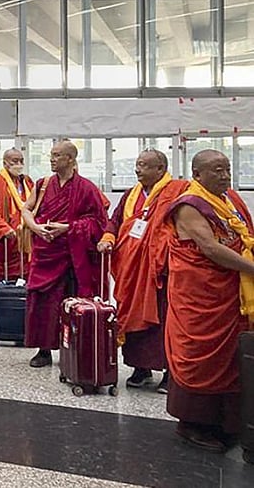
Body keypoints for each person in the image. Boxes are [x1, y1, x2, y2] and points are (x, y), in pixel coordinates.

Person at [162, 149, 254, 453]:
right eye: (217, 170)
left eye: (227, 169)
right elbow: (210, 249)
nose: (225, 175)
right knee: (201, 354)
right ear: (197, 175)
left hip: (228, 295)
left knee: (229, 355)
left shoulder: (230, 200)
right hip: (200, 297)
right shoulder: (189, 205)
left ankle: (224, 423)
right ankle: (192, 425)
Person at [97, 150, 187, 393]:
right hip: (132, 269)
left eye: (144, 166)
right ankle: (140, 367)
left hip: (162, 270)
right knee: (131, 314)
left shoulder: (178, 191)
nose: (138, 170)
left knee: (165, 320)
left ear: (161, 169)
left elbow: (185, 224)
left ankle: (170, 372)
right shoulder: (130, 194)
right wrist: (107, 238)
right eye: (137, 165)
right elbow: (114, 221)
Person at [21, 140, 107, 368]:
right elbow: (26, 209)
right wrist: (35, 227)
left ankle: (75, 350)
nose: (52, 159)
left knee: (70, 302)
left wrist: (68, 228)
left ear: (71, 159)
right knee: (42, 303)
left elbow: (99, 222)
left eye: (58, 155)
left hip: (72, 256)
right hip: (44, 252)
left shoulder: (86, 188)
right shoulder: (42, 184)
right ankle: (43, 350)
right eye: (51, 155)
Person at [0, 149, 34, 335]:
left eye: (21, 160)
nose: (18, 164)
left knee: (26, 277)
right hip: (5, 243)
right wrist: (5, 230)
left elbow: (36, 205)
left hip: (25, 240)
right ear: (5, 163)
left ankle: (23, 316)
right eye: (14, 160)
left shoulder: (28, 182)